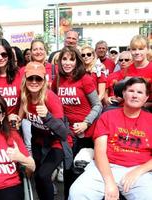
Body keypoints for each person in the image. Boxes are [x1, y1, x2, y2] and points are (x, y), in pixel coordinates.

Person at [69, 77, 152, 200]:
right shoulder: (107, 116)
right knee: (77, 193)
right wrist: (110, 182)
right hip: (106, 167)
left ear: (146, 98)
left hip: (139, 171)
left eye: (139, 92)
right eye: (131, 91)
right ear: (123, 93)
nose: (134, 95)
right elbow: (100, 152)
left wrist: (139, 171)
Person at [53, 46, 103, 199]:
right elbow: (53, 102)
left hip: (87, 132)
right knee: (69, 169)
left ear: (77, 62)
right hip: (68, 133)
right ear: (60, 61)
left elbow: (98, 105)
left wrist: (85, 123)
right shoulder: (58, 79)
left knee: (84, 171)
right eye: (64, 59)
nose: (67, 63)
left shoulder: (85, 79)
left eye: (71, 59)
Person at [20, 61, 72, 200]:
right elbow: (17, 119)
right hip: (39, 142)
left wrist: (48, 117)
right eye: (31, 78)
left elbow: (63, 132)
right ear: (25, 80)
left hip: (57, 142)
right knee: (37, 176)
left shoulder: (50, 98)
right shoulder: (25, 98)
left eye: (38, 78)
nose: (34, 82)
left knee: (43, 175)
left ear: (44, 81)